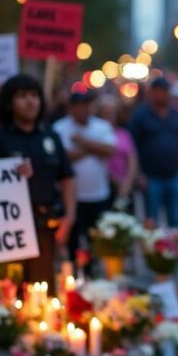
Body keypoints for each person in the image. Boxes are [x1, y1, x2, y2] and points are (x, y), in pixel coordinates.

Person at [0, 74, 76, 288]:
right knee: (7, 290)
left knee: (41, 290)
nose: (30, 102)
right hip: (7, 229)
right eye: (22, 96)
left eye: (34, 95)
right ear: (9, 103)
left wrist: (69, 216)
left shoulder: (50, 136)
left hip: (45, 227)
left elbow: (67, 178)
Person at [53, 91, 117, 275]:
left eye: (87, 105)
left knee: (95, 239)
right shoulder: (60, 128)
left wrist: (82, 142)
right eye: (79, 106)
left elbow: (109, 150)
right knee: (72, 238)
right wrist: (93, 148)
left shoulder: (102, 126)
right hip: (72, 197)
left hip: (98, 194)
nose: (84, 110)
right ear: (71, 108)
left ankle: (91, 271)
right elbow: (63, 157)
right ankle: (72, 272)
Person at [129, 78, 178, 227]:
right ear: (152, 93)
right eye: (158, 92)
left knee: (175, 220)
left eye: (165, 92)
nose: (162, 96)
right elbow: (132, 147)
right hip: (150, 176)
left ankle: (173, 249)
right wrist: (138, 173)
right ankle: (152, 250)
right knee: (151, 220)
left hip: (174, 175)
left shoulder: (176, 115)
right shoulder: (140, 116)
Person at [96, 96, 138, 211]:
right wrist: (115, 180)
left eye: (113, 113)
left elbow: (132, 159)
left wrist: (128, 182)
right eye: (106, 113)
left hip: (125, 185)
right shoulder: (96, 134)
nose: (110, 117)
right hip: (105, 186)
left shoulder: (124, 134)